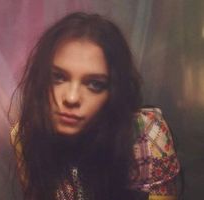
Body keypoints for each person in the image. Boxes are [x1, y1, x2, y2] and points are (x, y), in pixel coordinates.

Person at [10, 12, 180, 200]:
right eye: (58, 77)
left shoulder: (147, 135)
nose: (72, 98)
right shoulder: (26, 135)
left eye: (94, 84)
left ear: (113, 91)